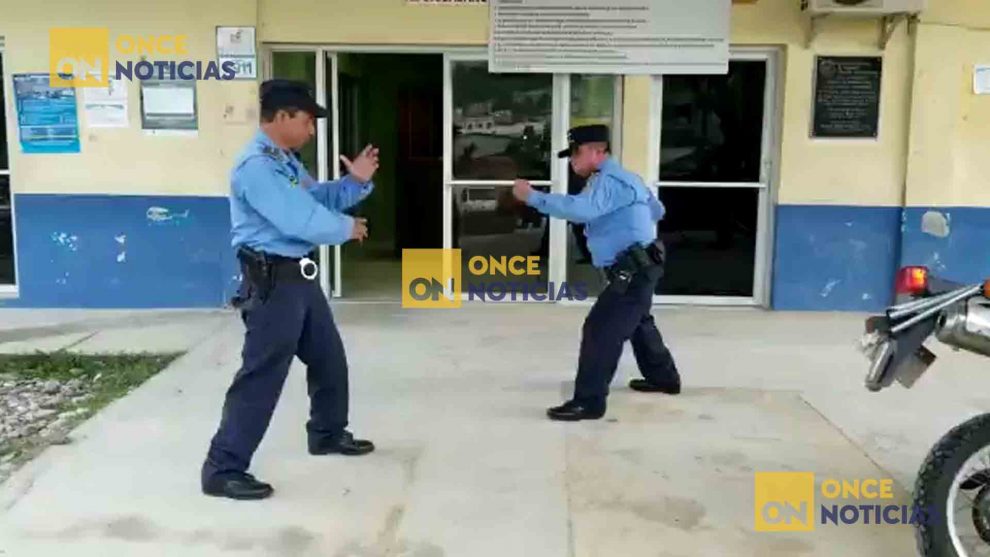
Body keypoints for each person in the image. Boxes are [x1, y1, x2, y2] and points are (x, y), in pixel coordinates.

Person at [201, 79, 380, 500]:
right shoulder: (257, 167)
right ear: (281, 117)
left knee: (328, 359)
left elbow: (317, 198)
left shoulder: (283, 161)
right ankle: (222, 468)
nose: (311, 131)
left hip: (298, 277)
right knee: (262, 374)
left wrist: (353, 183)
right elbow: (299, 218)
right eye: (306, 121)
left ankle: (327, 432)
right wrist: (346, 229)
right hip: (272, 280)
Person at [512, 124, 682, 421]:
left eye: (574, 155)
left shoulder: (609, 180)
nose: (572, 162)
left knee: (600, 330)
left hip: (634, 268)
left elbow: (583, 210)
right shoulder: (627, 178)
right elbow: (658, 211)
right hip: (641, 263)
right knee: (638, 321)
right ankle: (664, 377)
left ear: (594, 151)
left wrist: (533, 198)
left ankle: (589, 402)